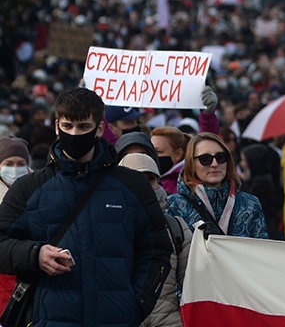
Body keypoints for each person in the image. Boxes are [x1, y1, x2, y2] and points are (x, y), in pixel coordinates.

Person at [0, 87, 172, 326]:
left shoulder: (132, 186)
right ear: (57, 126)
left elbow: (157, 250)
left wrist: (137, 303)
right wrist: (34, 255)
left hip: (116, 319)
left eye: (83, 127)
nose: (74, 134)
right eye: (68, 126)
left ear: (99, 129)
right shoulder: (28, 188)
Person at [119, 153, 192, 327]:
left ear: (159, 183)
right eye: (135, 178)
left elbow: (193, 287)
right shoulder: (107, 228)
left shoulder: (177, 227)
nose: (144, 185)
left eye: (150, 178)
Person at [165, 132, 267, 238]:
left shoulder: (251, 204)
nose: (214, 164)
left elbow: (261, 250)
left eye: (221, 157)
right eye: (205, 159)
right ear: (192, 164)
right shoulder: (174, 205)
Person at [0, 136, 30, 312]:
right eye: (9, 163)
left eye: (21, 163)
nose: (15, 169)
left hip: (24, 271)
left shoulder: (36, 188)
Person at [240, 143, 283, 240]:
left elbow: (249, 199)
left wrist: (242, 182)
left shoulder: (262, 182)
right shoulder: (262, 178)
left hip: (266, 229)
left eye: (244, 160)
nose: (242, 164)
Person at [151, 126, 190, 195]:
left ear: (178, 154)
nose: (152, 156)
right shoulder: (152, 178)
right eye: (151, 151)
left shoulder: (185, 183)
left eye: (159, 152)